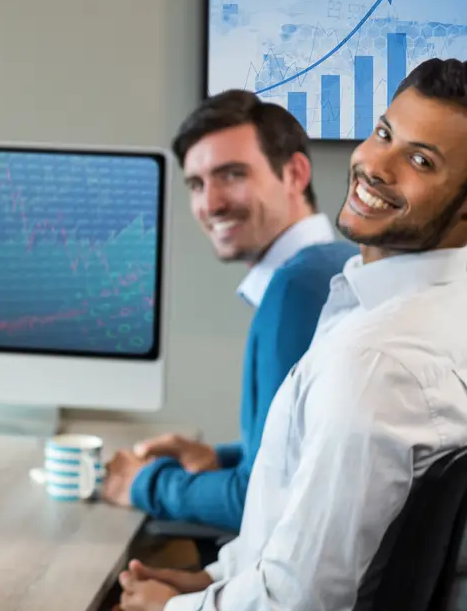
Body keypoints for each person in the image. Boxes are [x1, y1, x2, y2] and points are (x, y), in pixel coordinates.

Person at [117, 57, 467, 610]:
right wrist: (213, 584)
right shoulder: (385, 306)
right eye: (383, 133)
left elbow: (298, 601)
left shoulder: (375, 359)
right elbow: (296, 507)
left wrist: (164, 608)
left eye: (421, 160)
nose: (377, 165)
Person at [100, 89, 357, 531]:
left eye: (232, 175)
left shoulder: (298, 286)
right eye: (197, 185)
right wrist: (220, 457)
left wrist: (145, 483)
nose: (211, 204)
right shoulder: (332, 263)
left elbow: (262, 500)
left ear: (295, 173)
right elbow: (305, 452)